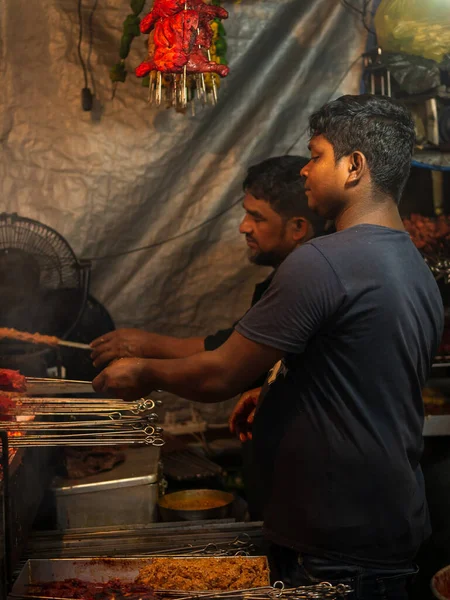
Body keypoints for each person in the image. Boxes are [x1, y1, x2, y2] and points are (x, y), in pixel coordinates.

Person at [93, 94, 444, 600]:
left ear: (354, 166)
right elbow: (367, 375)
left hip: (336, 547)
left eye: (316, 155)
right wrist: (283, 390)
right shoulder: (413, 266)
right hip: (383, 527)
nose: (304, 170)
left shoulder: (323, 261)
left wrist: (144, 371)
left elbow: (221, 375)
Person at [90, 155, 325, 370]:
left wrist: (147, 361)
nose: (243, 227)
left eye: (257, 218)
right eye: (246, 214)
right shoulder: (288, 276)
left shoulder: (306, 285)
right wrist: (147, 345)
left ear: (298, 228)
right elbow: (232, 341)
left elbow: (227, 364)